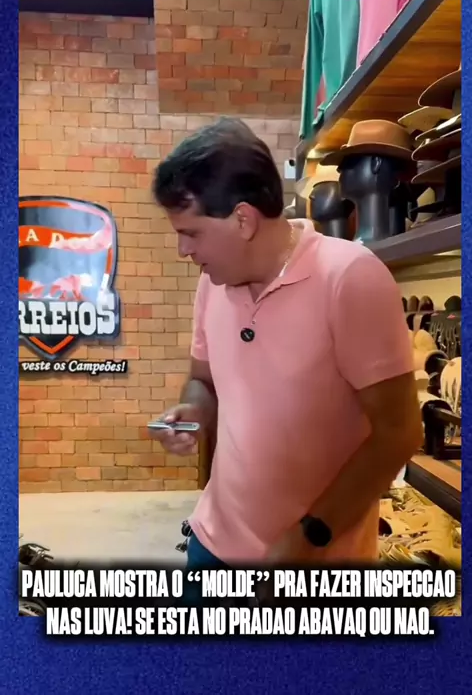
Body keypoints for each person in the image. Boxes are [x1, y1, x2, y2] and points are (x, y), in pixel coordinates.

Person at [150, 117, 422, 569]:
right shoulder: (213, 283)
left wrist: (308, 537)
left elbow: (399, 434)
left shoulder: (350, 278)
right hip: (211, 545)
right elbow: (204, 380)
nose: (184, 251)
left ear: (243, 219)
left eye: (191, 233)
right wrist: (193, 411)